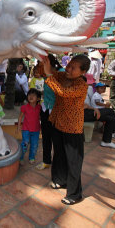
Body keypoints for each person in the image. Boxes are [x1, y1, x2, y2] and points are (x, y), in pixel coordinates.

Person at [42, 54, 90, 205]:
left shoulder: (81, 85)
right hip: (58, 122)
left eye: (73, 67)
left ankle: (75, 194)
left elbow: (62, 92)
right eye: (69, 65)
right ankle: (59, 180)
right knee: (59, 154)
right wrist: (46, 63)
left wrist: (49, 74)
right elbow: (53, 74)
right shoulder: (64, 76)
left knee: (73, 161)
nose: (68, 69)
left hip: (72, 127)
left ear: (83, 72)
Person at [35, 54, 64, 171]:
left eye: (40, 63)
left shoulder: (61, 73)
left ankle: (58, 165)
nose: (38, 66)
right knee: (46, 137)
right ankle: (46, 160)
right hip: (45, 109)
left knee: (57, 140)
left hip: (57, 111)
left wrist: (48, 74)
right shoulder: (45, 75)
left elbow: (61, 92)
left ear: (48, 63)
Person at [17, 88, 42, 165]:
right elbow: (20, 117)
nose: (31, 97)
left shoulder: (40, 108)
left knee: (34, 145)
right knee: (25, 144)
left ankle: (32, 157)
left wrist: (41, 128)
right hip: (26, 129)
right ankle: (21, 157)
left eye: (33, 95)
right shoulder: (24, 107)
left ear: (38, 98)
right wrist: (19, 126)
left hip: (36, 130)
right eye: (29, 95)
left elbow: (41, 118)